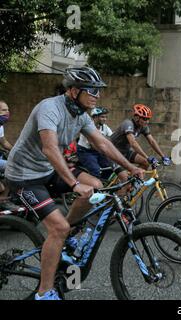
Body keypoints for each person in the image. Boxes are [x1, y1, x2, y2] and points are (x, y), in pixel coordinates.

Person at [5, 66, 144, 300]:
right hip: (23, 176)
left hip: (47, 171)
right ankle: (45, 292)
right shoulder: (50, 108)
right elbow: (50, 148)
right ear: (73, 91)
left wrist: (131, 168)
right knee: (58, 226)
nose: (96, 95)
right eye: (91, 90)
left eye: (98, 91)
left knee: (97, 188)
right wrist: (73, 183)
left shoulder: (80, 115)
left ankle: (66, 234)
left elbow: (104, 144)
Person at [109, 104, 171, 169]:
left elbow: (152, 141)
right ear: (137, 118)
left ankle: (134, 178)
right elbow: (133, 143)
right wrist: (147, 157)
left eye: (148, 119)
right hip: (113, 151)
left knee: (145, 163)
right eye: (144, 119)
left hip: (125, 151)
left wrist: (163, 156)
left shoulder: (143, 127)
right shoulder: (128, 124)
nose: (147, 122)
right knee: (124, 175)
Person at [77, 106, 123, 180]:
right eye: (102, 117)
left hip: (98, 151)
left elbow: (112, 138)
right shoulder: (88, 127)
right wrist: (107, 152)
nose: (105, 119)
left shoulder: (104, 127)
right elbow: (93, 144)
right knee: (96, 171)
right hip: (85, 151)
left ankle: (104, 185)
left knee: (109, 169)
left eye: (106, 117)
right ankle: (94, 188)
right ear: (95, 117)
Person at [0, 100, 18, 210]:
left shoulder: (0, 127)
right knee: (12, 167)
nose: (7, 112)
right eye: (3, 110)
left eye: (7, 110)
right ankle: (3, 199)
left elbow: (4, 142)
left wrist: (16, 150)